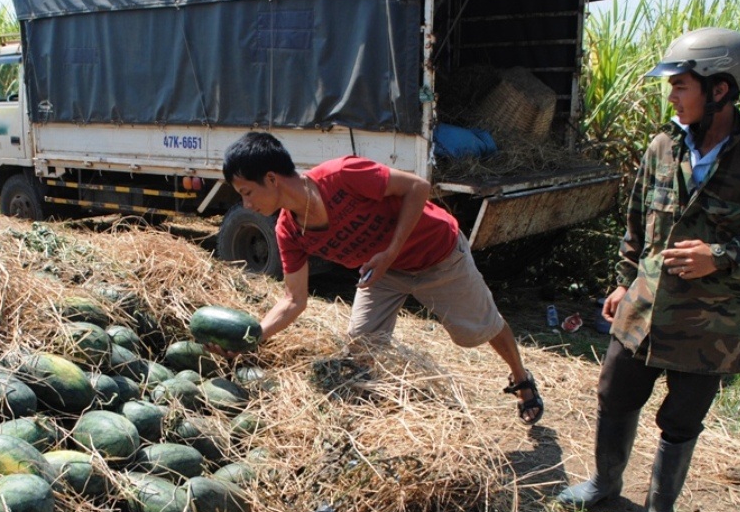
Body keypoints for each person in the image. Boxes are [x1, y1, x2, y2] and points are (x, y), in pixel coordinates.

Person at [556, 28, 740, 512]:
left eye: (680, 85)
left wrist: (722, 256)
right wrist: (621, 280)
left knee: (681, 418)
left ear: (720, 91)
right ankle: (603, 483)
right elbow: (637, 222)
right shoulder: (662, 147)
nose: (671, 96)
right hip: (643, 309)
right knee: (615, 394)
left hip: (710, 324)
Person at [219, 131, 543, 425]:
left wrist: (390, 253)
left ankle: (520, 376)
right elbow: (293, 299)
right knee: (361, 347)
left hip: (437, 254)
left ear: (272, 179)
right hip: (382, 274)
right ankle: (372, 419)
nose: (246, 204)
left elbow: (418, 186)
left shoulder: (342, 176)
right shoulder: (288, 232)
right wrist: (252, 337)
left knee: (479, 329)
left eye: (247, 192)